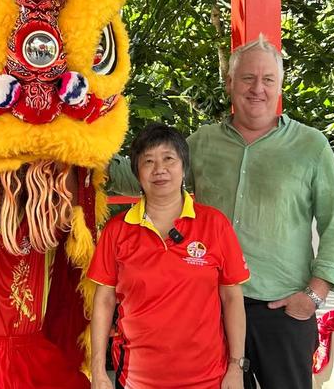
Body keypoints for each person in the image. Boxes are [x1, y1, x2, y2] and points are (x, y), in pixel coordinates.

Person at [187, 35, 334, 389]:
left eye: (267, 80)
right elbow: (147, 173)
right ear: (230, 82)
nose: (256, 88)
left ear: (280, 86)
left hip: (284, 310)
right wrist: (86, 148)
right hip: (211, 309)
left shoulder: (310, 146)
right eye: (247, 78)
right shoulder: (201, 143)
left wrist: (314, 295)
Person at [89, 124, 250, 389]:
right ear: (137, 173)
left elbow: (232, 297)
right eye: (148, 161)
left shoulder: (214, 224)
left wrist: (236, 366)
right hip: (136, 379)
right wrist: (98, 369)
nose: (159, 169)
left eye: (168, 159)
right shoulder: (117, 230)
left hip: (208, 378)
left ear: (184, 167)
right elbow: (104, 300)